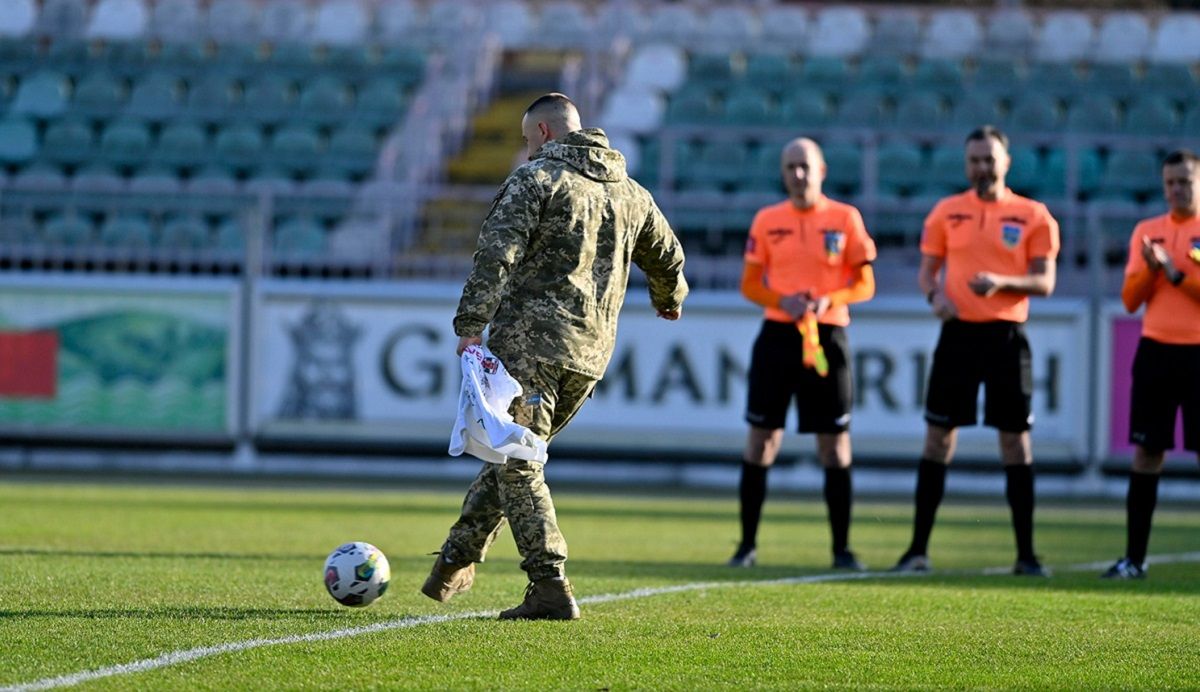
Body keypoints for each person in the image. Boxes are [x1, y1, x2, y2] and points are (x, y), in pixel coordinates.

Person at [421, 93, 688, 619]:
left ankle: (549, 582)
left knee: (517, 461)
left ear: (543, 133)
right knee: (511, 453)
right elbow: (669, 255)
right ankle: (455, 558)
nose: (525, 151)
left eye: (526, 141)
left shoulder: (537, 180)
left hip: (529, 347)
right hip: (589, 360)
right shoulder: (632, 194)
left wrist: (471, 324)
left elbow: (497, 252)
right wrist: (668, 298)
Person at [891, 126, 1059, 577]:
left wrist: (1004, 283)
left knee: (1014, 441)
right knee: (938, 438)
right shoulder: (947, 212)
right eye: (975, 160)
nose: (982, 168)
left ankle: (1026, 555)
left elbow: (1045, 282)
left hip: (1006, 337)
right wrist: (934, 297)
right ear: (966, 165)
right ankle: (917, 550)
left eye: (990, 159)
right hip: (958, 336)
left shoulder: (1034, 215)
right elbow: (929, 273)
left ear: (1007, 162)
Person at [728, 138, 877, 571]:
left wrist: (829, 300)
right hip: (777, 336)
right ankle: (747, 546)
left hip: (827, 338)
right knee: (762, 439)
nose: (798, 174)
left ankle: (842, 549)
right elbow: (750, 285)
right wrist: (782, 299)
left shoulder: (845, 218)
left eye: (805, 166)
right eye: (790, 167)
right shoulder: (768, 219)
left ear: (822, 170)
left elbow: (866, 283)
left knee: (834, 445)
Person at [1102, 149, 1200, 580]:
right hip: (1156, 350)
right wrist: (1149, 271)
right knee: (1146, 452)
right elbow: (1129, 299)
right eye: (1170, 183)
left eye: (1185, 181)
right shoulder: (1148, 231)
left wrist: (1175, 274)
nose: (1177, 190)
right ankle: (1134, 559)